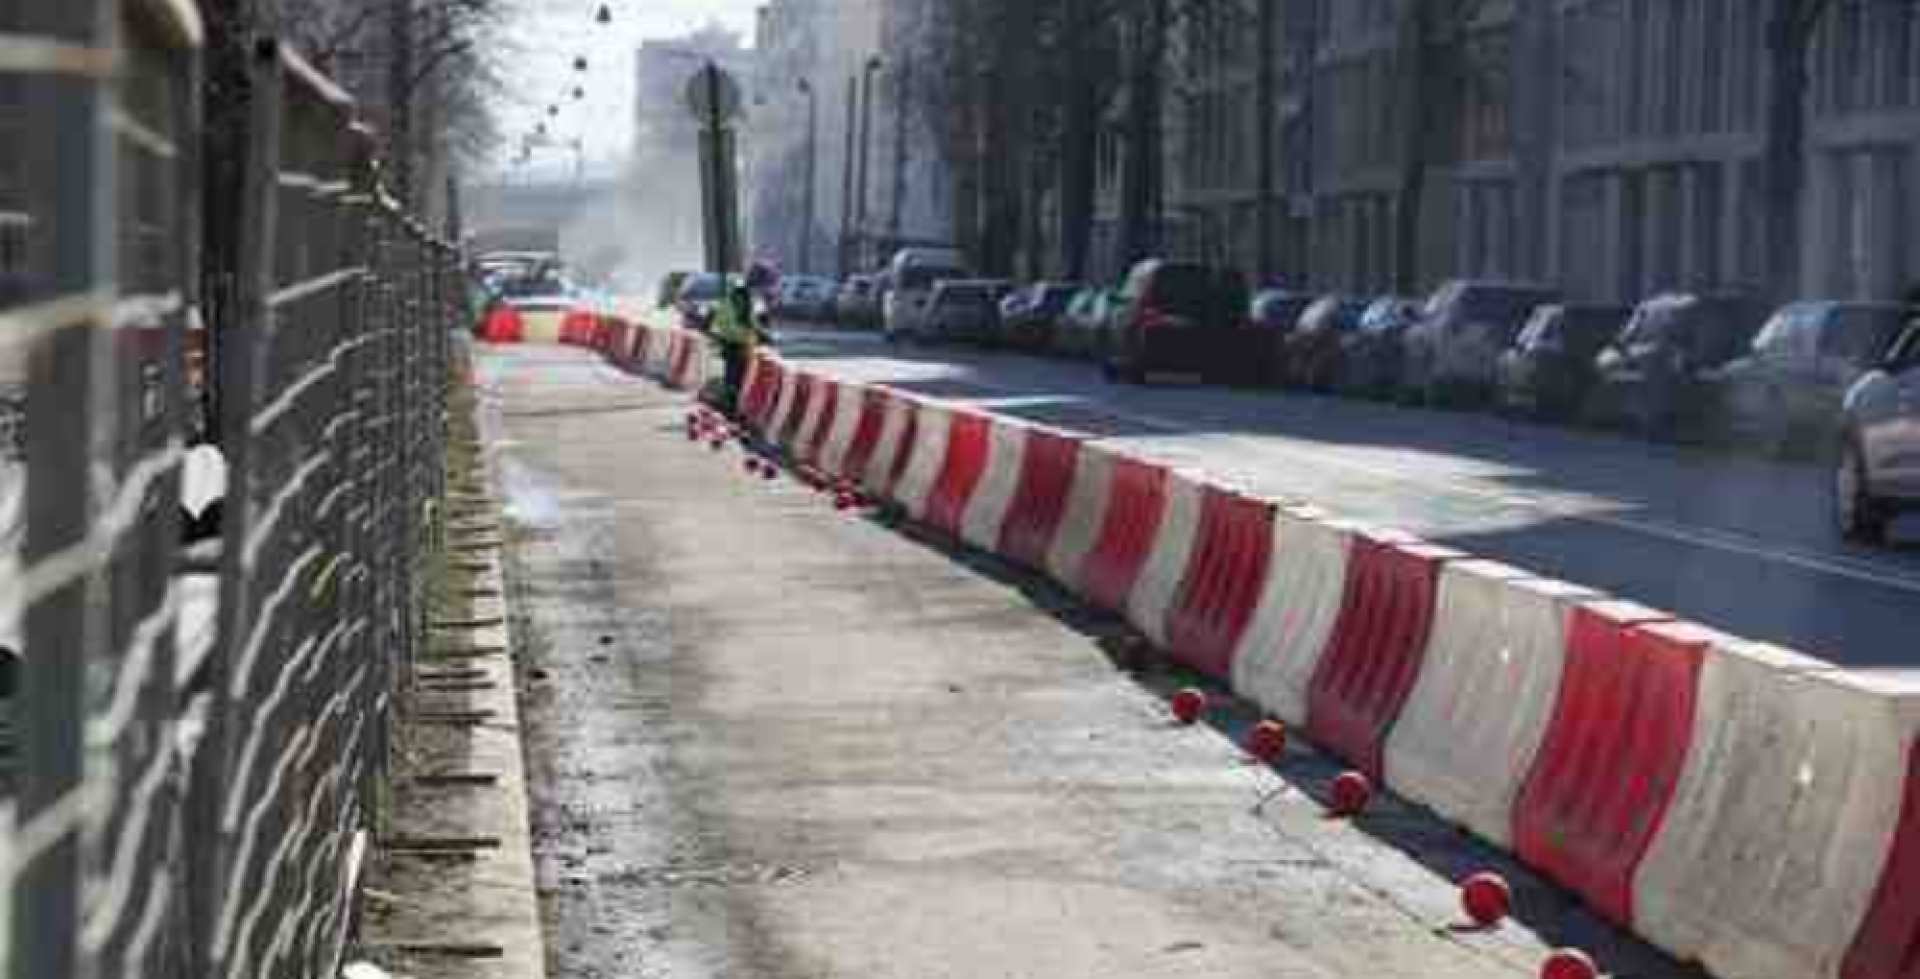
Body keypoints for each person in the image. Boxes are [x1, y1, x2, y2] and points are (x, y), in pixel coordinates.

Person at [709, 282, 759, 416]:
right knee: (733, 376)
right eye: (738, 296)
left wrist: (757, 337)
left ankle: (734, 405)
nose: (741, 300)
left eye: (743, 297)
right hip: (731, 345)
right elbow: (719, 327)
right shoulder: (726, 306)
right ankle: (730, 405)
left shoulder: (747, 305)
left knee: (739, 377)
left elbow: (752, 324)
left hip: (742, 346)